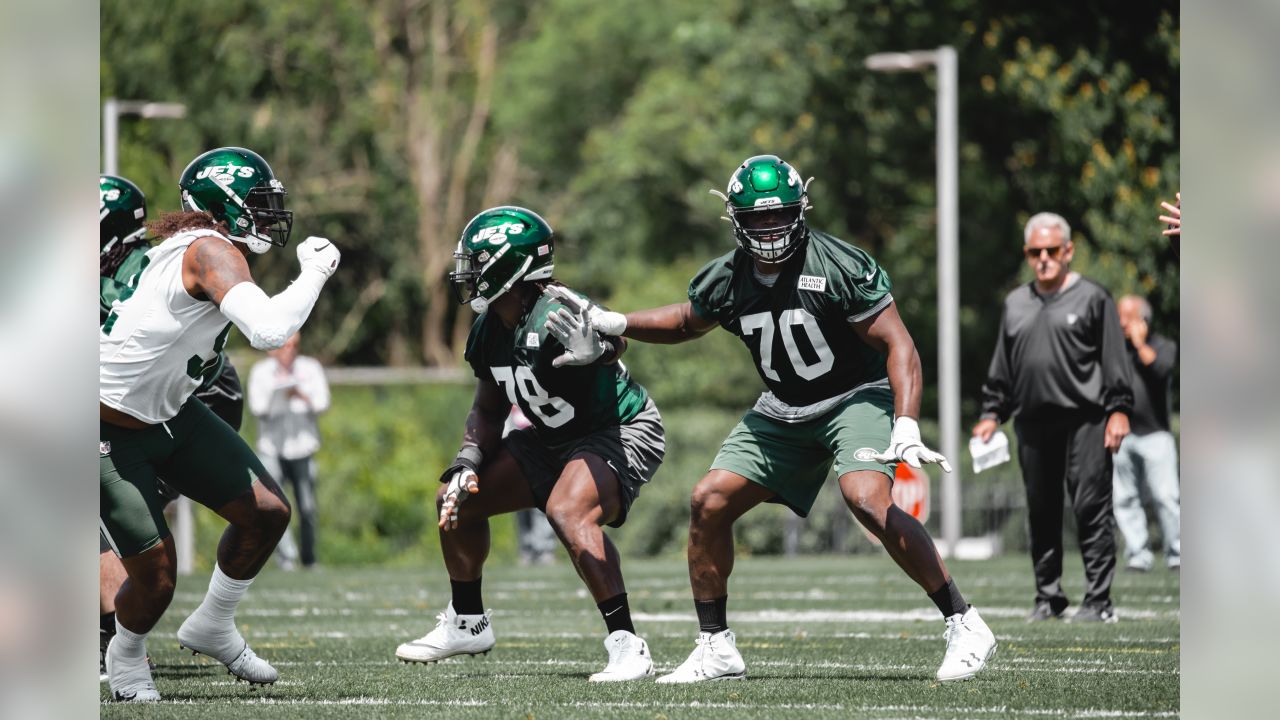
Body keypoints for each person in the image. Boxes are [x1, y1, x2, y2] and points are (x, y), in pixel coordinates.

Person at [549, 155, 996, 683]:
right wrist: (615, 321)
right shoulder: (730, 276)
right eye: (757, 219)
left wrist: (905, 422)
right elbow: (687, 322)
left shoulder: (838, 264)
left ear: (800, 211)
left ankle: (964, 622)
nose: (769, 228)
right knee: (708, 500)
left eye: (778, 215)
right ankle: (715, 646)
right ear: (736, 220)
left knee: (865, 498)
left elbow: (899, 344)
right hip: (783, 407)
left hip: (855, 396)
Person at [100, 147, 341, 702]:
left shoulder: (190, 248)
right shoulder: (210, 249)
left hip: (171, 413)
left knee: (267, 514)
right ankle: (126, 654)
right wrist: (317, 270)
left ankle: (212, 622)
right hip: (104, 428)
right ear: (226, 206)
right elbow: (271, 331)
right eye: (259, 203)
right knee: (157, 579)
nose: (269, 214)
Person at [393, 206, 665, 683]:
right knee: (455, 501)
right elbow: (488, 405)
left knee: (567, 509)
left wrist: (600, 353)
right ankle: (467, 620)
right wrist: (468, 459)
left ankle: (627, 645)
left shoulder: (557, 308)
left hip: (618, 427)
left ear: (508, 264)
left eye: (477, 263)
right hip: (550, 437)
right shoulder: (489, 327)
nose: (467, 273)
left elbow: (611, 341)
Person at [98, 174, 248, 680]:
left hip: (183, 404)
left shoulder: (140, 268)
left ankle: (112, 640)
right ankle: (110, 638)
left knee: (127, 543)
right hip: (143, 409)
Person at [973, 212, 1133, 624]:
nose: (1044, 258)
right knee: (1041, 511)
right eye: (1035, 252)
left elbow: (1115, 359)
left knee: (1090, 508)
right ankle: (1049, 597)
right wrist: (992, 413)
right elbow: (1003, 368)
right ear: (1027, 254)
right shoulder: (1015, 303)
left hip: (1087, 419)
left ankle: (1098, 601)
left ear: (1068, 251)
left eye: (1052, 250)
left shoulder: (1094, 298)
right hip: (1032, 422)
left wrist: (1118, 410)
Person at [248, 332, 331, 569]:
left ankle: (309, 557)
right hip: (271, 447)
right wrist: (279, 396)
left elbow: (323, 403)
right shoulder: (261, 372)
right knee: (276, 506)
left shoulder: (310, 368)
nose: (289, 351)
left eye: (294, 346)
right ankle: (287, 558)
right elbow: (257, 408)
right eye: (285, 346)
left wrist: (300, 395)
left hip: (303, 447)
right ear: (273, 348)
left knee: (307, 506)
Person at [1112, 295, 1180, 572]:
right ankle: (1138, 555)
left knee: (1166, 497)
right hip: (1123, 436)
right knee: (1125, 499)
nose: (1121, 323)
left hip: (1155, 435)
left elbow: (1161, 370)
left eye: (1126, 317)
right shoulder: (1114, 351)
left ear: (1144, 319)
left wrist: (1139, 343)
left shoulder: (1163, 345)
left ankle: (1177, 554)